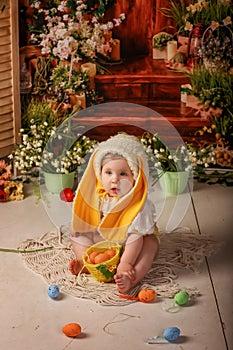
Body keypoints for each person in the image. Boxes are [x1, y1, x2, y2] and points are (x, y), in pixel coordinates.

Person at [70, 133, 159, 294]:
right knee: (77, 235)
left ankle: (130, 276)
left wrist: (126, 262)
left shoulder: (138, 203)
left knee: (150, 245)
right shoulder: (98, 195)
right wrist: (81, 226)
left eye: (123, 174)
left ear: (136, 177)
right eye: (108, 172)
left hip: (131, 243)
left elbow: (135, 237)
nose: (114, 180)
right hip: (106, 239)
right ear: (99, 172)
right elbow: (89, 218)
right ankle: (88, 263)